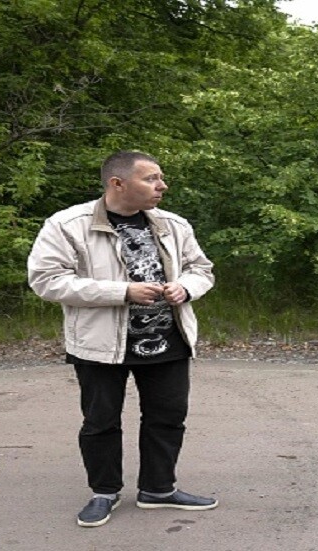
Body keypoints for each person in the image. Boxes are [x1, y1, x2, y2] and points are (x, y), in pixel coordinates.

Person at [27, 151, 218, 527]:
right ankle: (104, 492)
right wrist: (122, 291)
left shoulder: (173, 224)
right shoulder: (68, 224)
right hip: (100, 345)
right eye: (151, 179)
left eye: (161, 177)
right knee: (100, 422)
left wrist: (185, 287)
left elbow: (201, 268)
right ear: (118, 183)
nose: (162, 186)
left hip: (168, 340)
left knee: (167, 418)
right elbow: (46, 280)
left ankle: (158, 489)